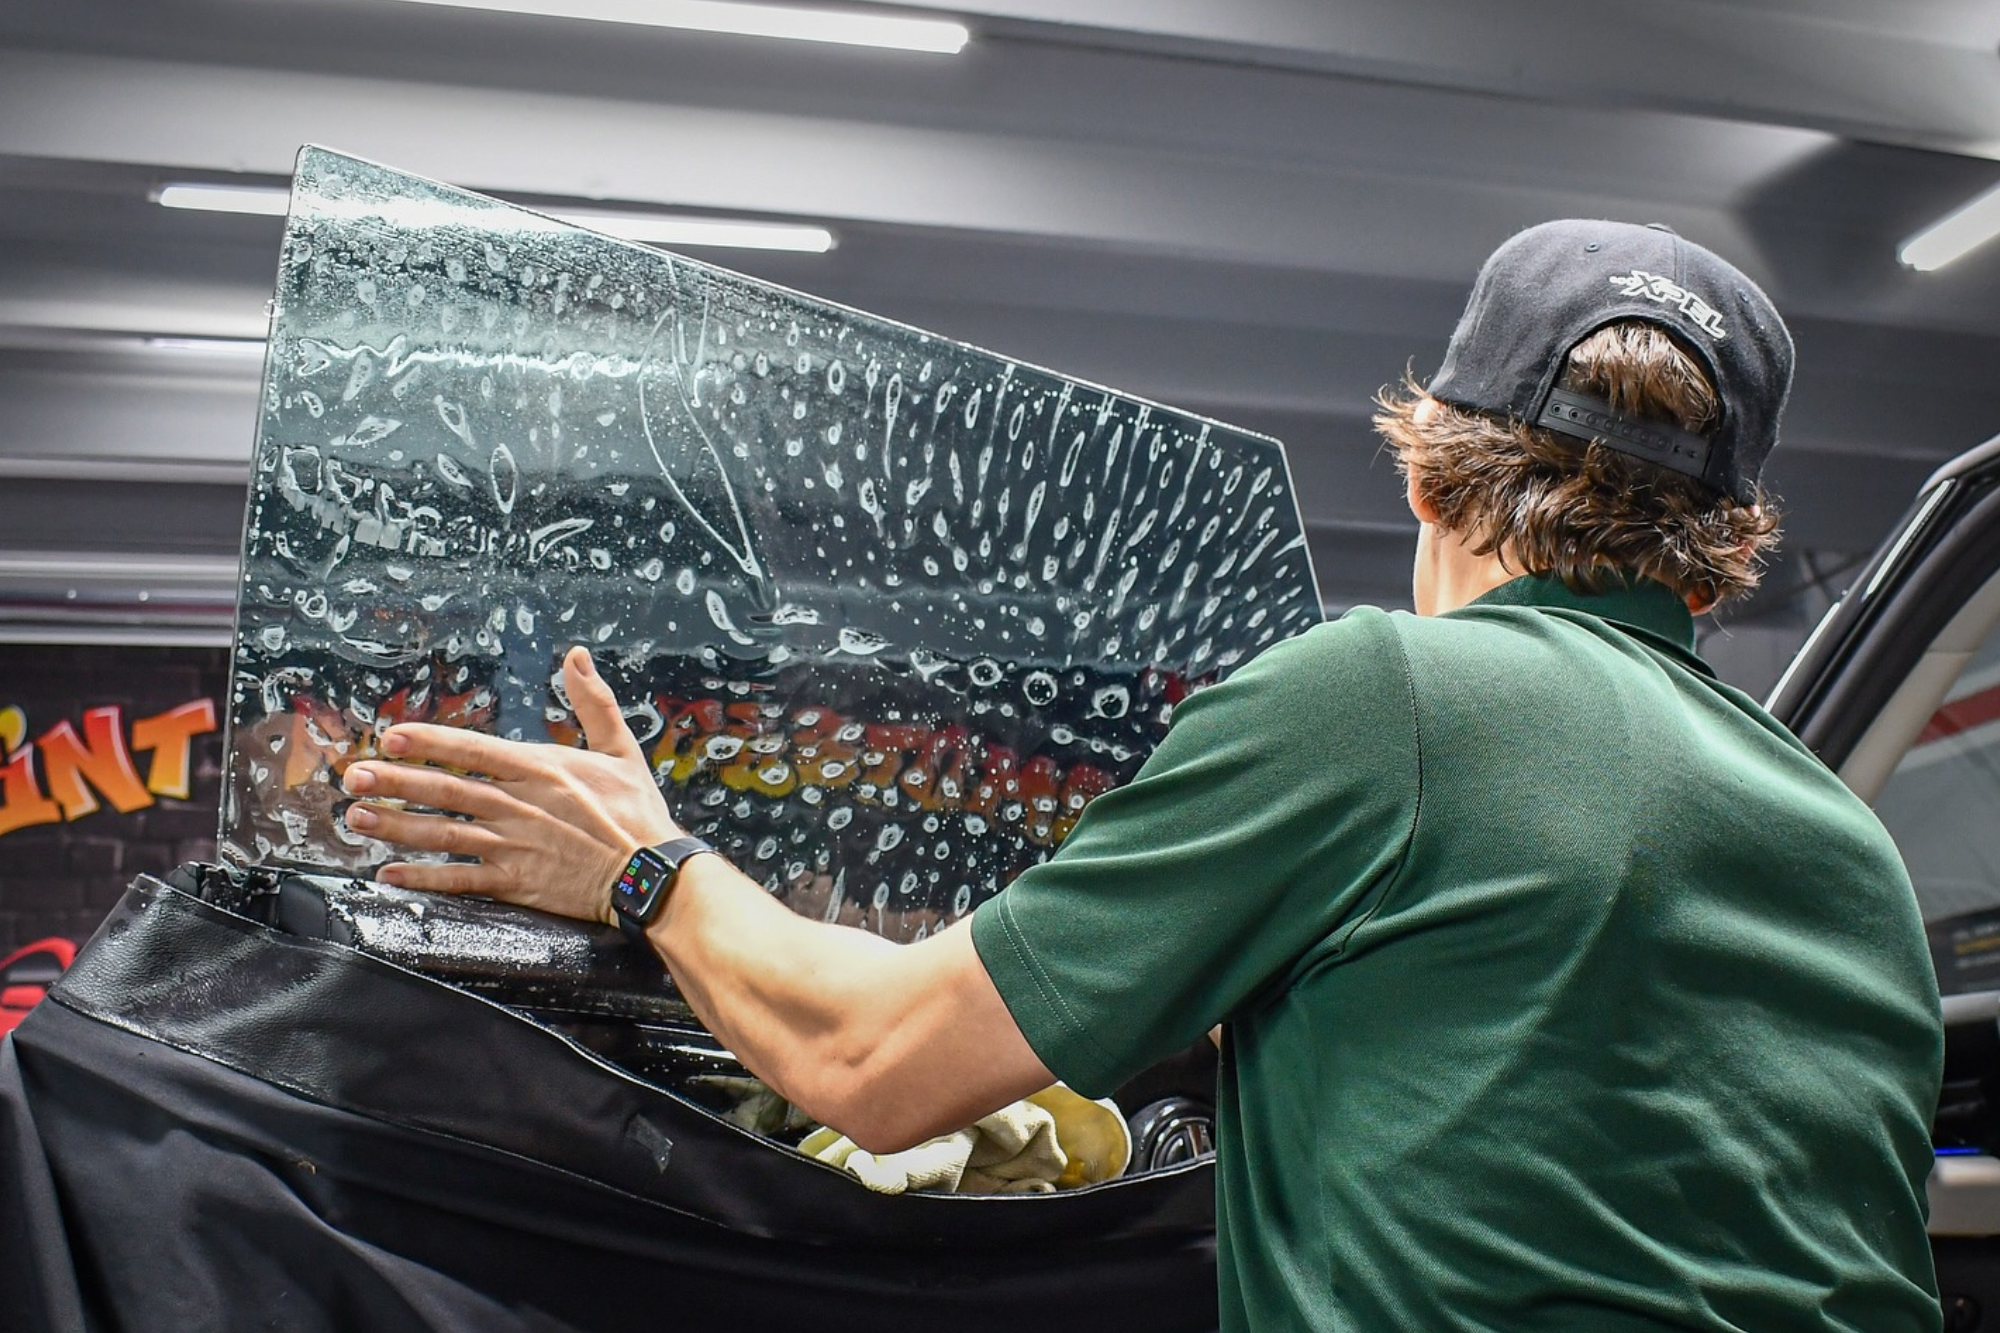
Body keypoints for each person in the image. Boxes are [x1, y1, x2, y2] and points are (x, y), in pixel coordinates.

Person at [339, 219, 1944, 1332]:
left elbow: (881, 1064)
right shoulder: (1842, 836)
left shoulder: (1388, 694)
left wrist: (646, 866)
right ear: (1724, 549)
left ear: (1425, 463)